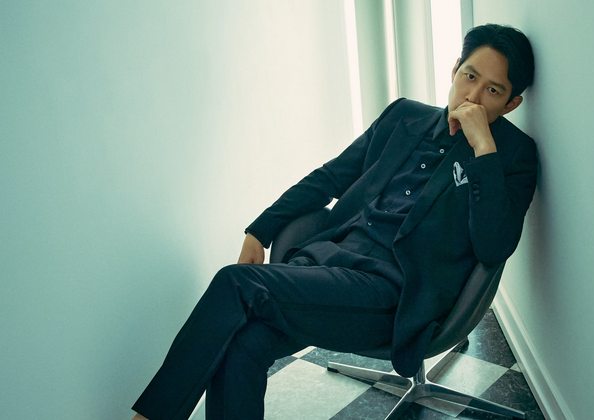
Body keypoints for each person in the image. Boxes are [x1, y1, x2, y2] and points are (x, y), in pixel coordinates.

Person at [132, 23, 537, 420]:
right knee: (247, 342)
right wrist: (260, 229)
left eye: (493, 90)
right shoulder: (404, 116)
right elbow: (330, 177)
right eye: (470, 76)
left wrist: (483, 149)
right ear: (454, 70)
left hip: (393, 294)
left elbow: (493, 247)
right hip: (330, 263)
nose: (473, 96)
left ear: (511, 104)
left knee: (236, 283)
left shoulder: (515, 156)